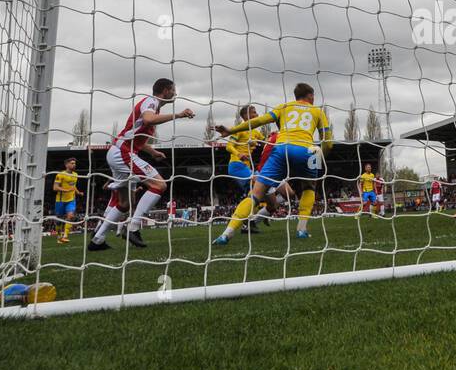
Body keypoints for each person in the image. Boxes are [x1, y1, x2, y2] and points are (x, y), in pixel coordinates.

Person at [214, 82, 331, 242]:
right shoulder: (317, 111)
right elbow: (328, 142)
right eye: (313, 95)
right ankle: (301, 230)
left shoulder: (283, 107)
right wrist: (319, 158)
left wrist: (230, 130)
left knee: (255, 195)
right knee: (309, 187)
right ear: (310, 95)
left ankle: (226, 233)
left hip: (281, 149)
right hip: (308, 150)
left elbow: (260, 121)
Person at [90, 78, 195, 250]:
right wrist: (179, 115)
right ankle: (133, 228)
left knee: (125, 203)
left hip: (119, 151)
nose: (175, 94)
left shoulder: (153, 106)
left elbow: (135, 133)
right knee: (159, 185)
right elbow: (148, 120)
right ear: (165, 90)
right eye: (173, 90)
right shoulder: (150, 102)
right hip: (123, 153)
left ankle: (97, 239)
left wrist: (152, 152)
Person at [51, 157, 80, 244]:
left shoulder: (76, 174)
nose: (74, 165)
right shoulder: (60, 175)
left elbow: (73, 186)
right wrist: (66, 190)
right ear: (66, 165)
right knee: (59, 221)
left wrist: (78, 192)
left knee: (70, 216)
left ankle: (65, 236)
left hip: (71, 199)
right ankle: (59, 236)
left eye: (74, 163)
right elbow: (55, 187)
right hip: (60, 201)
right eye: (72, 163)